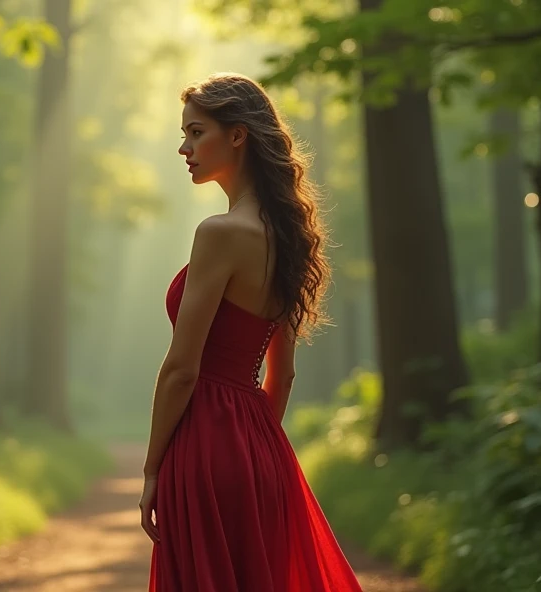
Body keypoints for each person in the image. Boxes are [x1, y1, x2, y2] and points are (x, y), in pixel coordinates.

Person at [140, 72, 364, 591]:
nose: (184, 148)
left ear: (236, 135)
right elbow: (280, 376)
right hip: (264, 454)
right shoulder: (288, 238)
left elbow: (181, 368)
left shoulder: (219, 234)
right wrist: (254, 449)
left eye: (196, 132)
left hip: (204, 445)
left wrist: (153, 470)